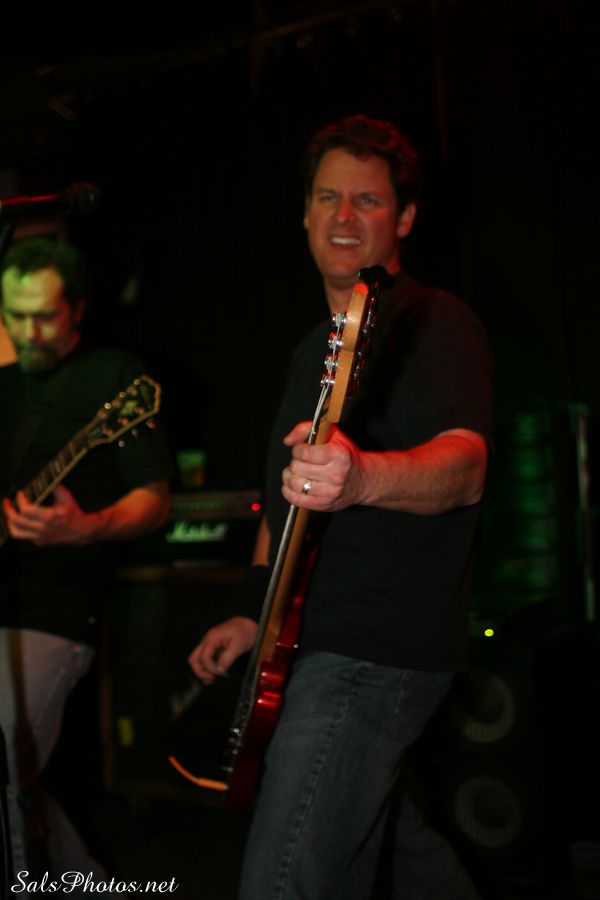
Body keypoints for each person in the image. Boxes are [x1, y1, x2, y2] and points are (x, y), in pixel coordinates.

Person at [189, 114, 492, 899]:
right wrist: (252, 613)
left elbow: (465, 467)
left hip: (372, 657)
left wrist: (363, 478)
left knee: (284, 882)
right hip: (308, 646)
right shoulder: (312, 351)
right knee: (400, 853)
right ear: (304, 213)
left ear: (406, 218)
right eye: (328, 197)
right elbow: (284, 507)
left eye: (368, 200)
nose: (344, 216)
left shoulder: (431, 320)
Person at [0, 238, 173, 881]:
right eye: (15, 316)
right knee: (14, 782)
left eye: (44, 315)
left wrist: (84, 527)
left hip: (56, 608)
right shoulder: (3, 387)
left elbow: (154, 502)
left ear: (78, 308)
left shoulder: (114, 378)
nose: (29, 332)